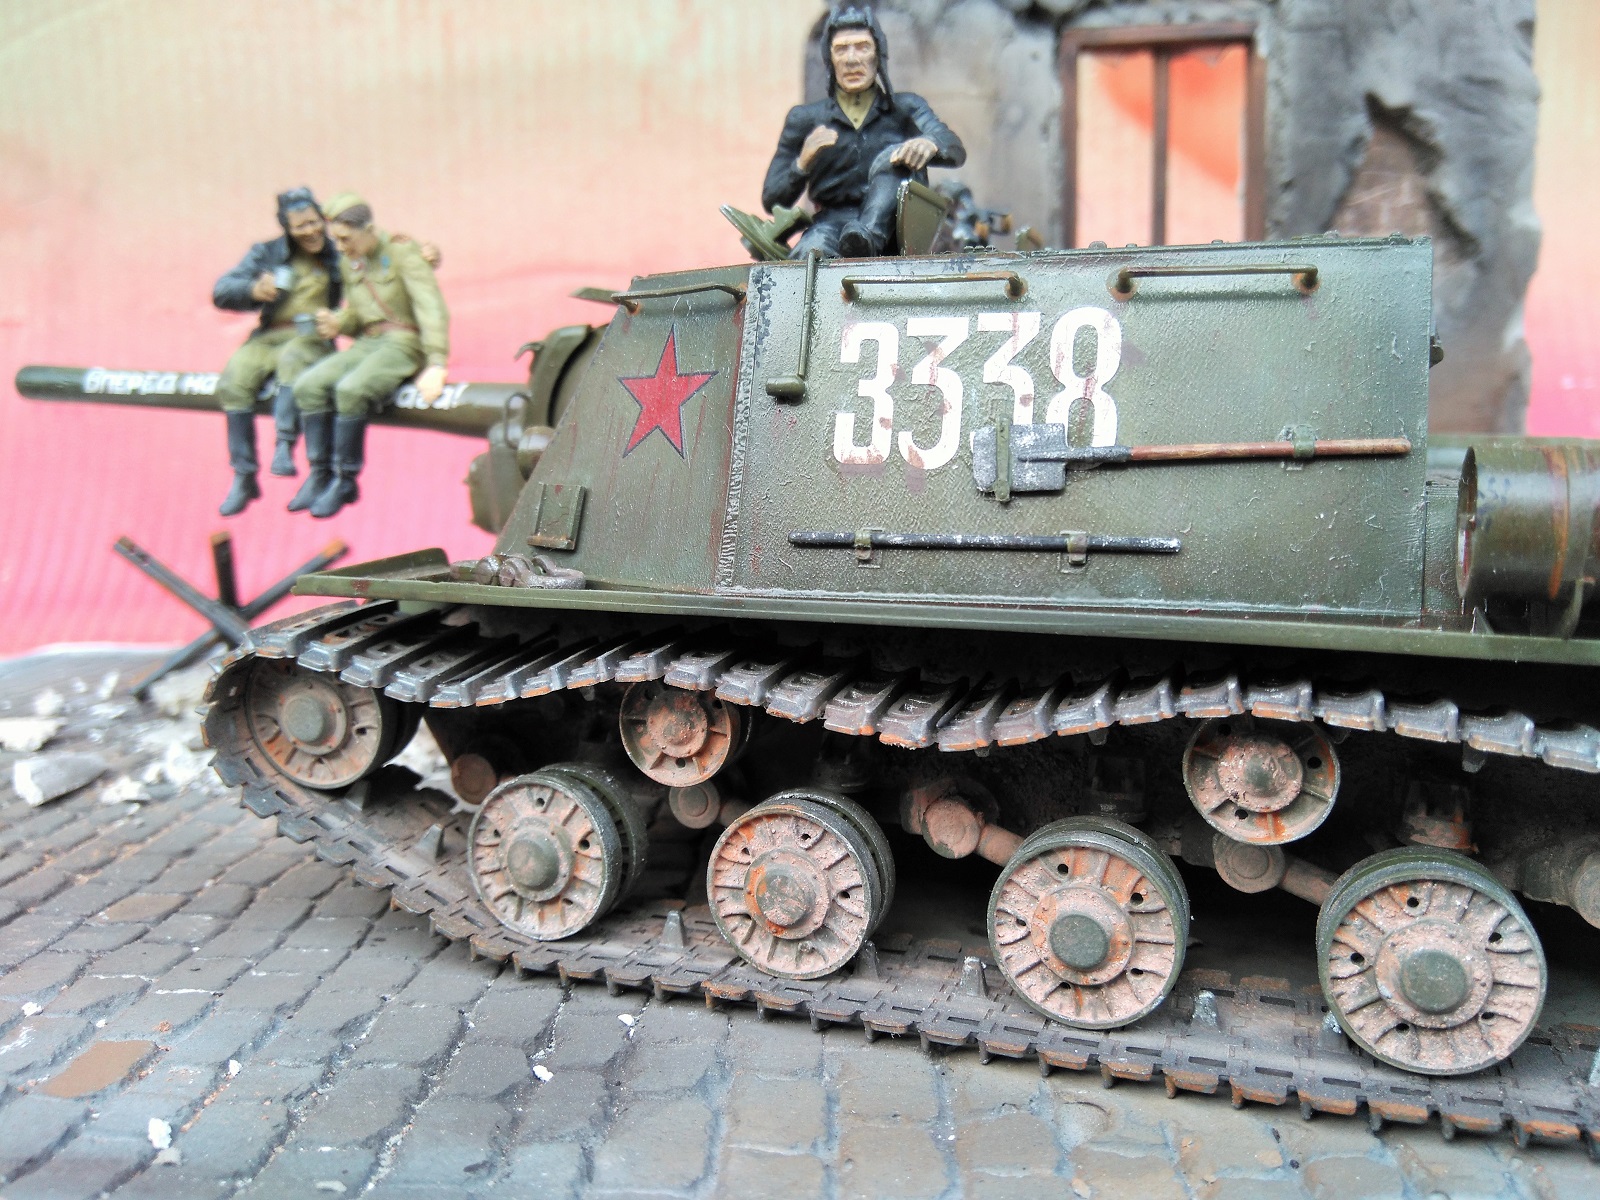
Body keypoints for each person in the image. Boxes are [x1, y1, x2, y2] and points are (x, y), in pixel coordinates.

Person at [762, 4, 965, 259]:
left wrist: (930, 143)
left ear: (878, 55)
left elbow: (953, 147)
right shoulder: (805, 119)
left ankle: (867, 235)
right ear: (830, 59)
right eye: (841, 49)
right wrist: (801, 163)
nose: (852, 59)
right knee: (810, 252)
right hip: (830, 225)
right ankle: (853, 243)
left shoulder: (906, 108)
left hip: (897, 230)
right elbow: (772, 197)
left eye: (862, 47)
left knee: (894, 156)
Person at [292, 193, 450, 518]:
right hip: (368, 343)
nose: (340, 247)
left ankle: (345, 480)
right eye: (336, 240)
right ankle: (320, 473)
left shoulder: (402, 251)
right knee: (308, 385)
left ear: (367, 230)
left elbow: (430, 306)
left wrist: (437, 362)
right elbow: (359, 314)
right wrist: (339, 322)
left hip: (404, 342)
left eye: (345, 239)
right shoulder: (352, 261)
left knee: (350, 390)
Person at [211, 188, 340, 514]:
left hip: (311, 338)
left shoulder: (337, 253)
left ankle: (284, 445)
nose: (310, 231)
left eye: (314, 222)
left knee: (292, 361)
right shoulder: (267, 253)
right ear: (287, 228)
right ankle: (244, 474)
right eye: (300, 226)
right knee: (235, 379)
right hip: (270, 335)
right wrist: (253, 289)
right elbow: (223, 290)